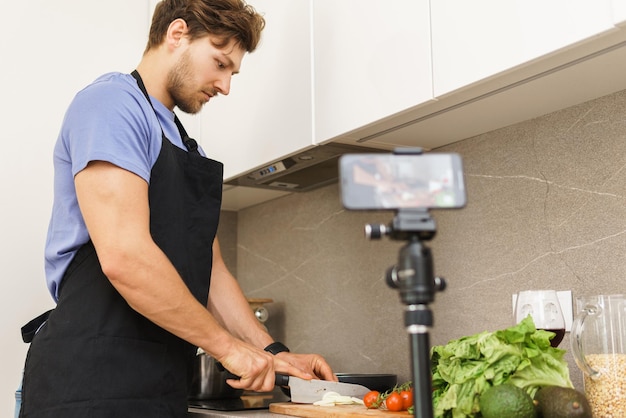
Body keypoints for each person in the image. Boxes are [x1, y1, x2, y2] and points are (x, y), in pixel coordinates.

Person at [19, 0, 336, 416]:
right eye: (220, 64)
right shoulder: (112, 105)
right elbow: (125, 257)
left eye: (232, 73)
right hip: (88, 377)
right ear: (177, 34)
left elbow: (211, 270)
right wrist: (226, 347)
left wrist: (272, 352)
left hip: (158, 382)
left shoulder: (188, 147)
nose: (225, 86)